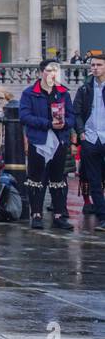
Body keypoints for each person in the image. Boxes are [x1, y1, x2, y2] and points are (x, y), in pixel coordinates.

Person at [20, 59, 76, 230]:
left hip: (59, 139)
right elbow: (25, 116)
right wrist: (48, 123)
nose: (53, 73)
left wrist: (64, 124)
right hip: (39, 138)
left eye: (56, 70)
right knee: (36, 178)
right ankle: (36, 214)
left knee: (58, 178)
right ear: (41, 72)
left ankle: (59, 215)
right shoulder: (30, 93)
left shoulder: (63, 93)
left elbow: (71, 116)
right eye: (49, 70)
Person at [73, 51, 105, 227]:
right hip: (90, 138)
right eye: (93, 65)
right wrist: (81, 131)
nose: (95, 68)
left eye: (99, 65)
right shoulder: (84, 88)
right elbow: (76, 112)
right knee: (94, 180)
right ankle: (102, 217)